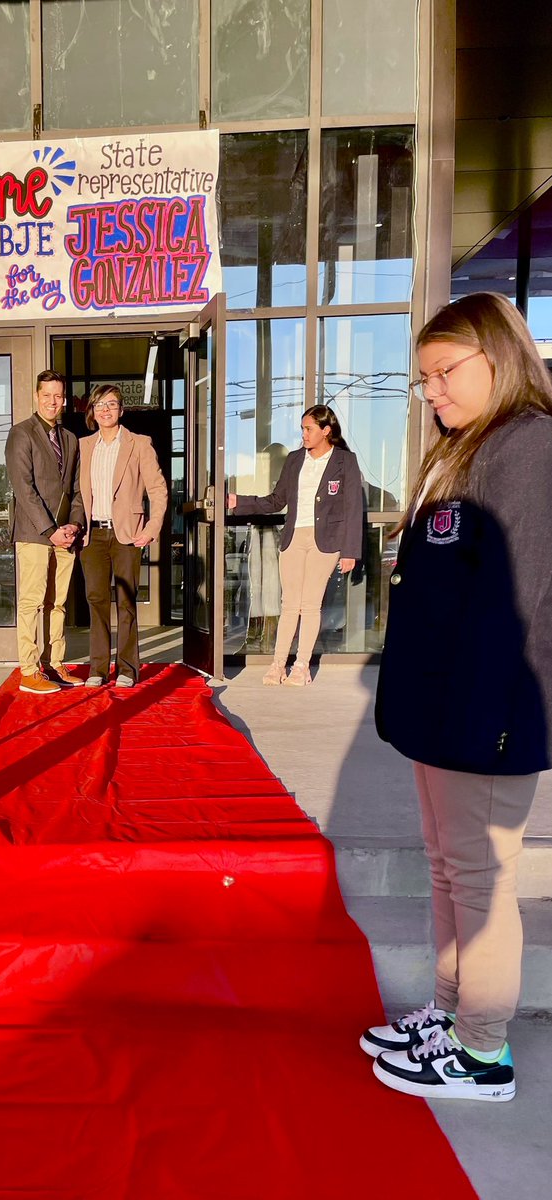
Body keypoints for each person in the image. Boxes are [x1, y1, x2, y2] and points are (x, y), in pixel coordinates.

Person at [364, 292, 552, 1102]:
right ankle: (450, 1013)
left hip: (486, 717)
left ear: (498, 356)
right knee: (448, 870)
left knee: (480, 881)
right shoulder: (469, 448)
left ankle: (482, 1052)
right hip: (443, 714)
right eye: (423, 379)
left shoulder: (528, 449)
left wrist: (481, 725)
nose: (432, 390)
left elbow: (520, 603)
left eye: (444, 372)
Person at [227, 406, 363, 685]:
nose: (303, 434)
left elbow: (353, 508)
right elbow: (277, 500)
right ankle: (278, 665)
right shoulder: (294, 459)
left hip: (326, 541)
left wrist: (350, 551)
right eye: (302, 428)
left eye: (309, 429)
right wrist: (239, 502)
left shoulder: (345, 461)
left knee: (310, 605)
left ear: (326, 431)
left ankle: (301, 666)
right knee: (289, 604)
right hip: (293, 538)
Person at [78, 384, 168, 688]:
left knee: (127, 602)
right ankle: (98, 669)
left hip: (126, 534)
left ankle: (128, 669)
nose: (105, 410)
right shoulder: (83, 446)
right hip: (92, 535)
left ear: (121, 409)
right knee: (96, 601)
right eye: (100, 405)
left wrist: (152, 527)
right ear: (92, 410)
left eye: (112, 404)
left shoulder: (139, 443)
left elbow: (157, 489)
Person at [4, 369, 86, 694]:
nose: (53, 401)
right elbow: (23, 489)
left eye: (58, 396)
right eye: (47, 395)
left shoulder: (70, 439)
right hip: (34, 532)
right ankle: (29, 670)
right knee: (32, 601)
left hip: (65, 534)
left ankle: (55, 663)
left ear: (64, 399)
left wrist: (74, 524)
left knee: (58, 603)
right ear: (37, 396)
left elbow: (78, 490)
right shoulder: (21, 433)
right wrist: (50, 529)